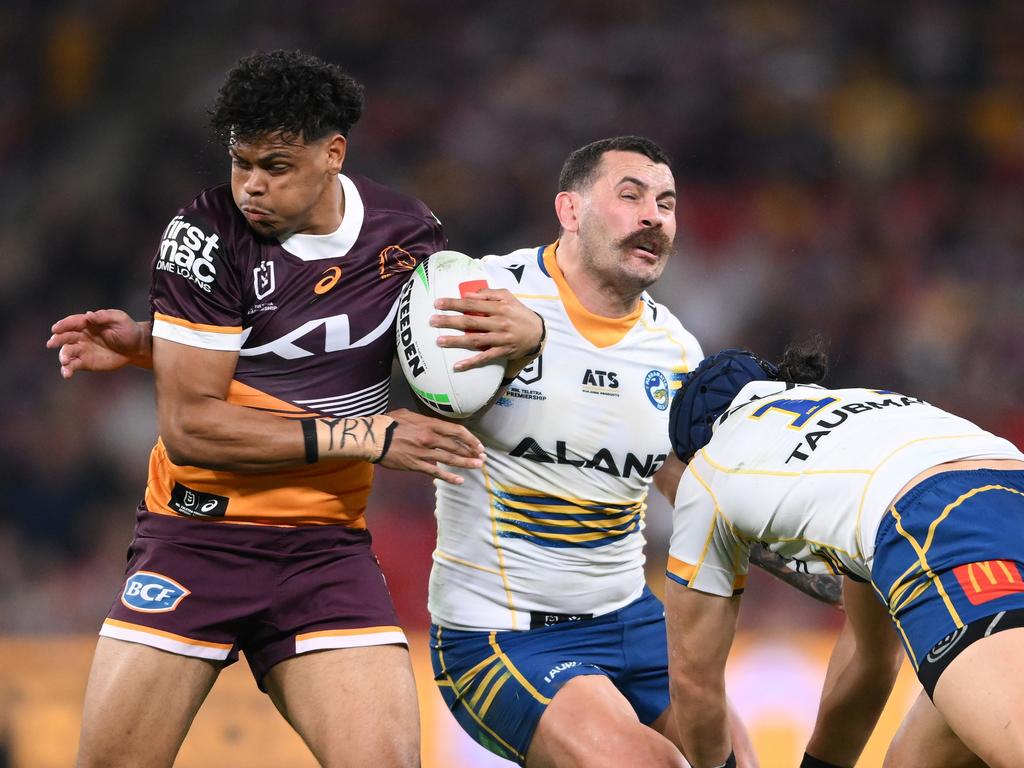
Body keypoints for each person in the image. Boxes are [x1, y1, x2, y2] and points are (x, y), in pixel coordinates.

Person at [45, 50, 543, 768]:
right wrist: (368, 434)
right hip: (197, 540)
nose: (251, 185)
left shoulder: (408, 236)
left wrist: (526, 342)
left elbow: (452, 369)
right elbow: (192, 429)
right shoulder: (204, 235)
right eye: (240, 162)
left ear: (332, 153)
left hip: (323, 548)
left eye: (275, 166)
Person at [425, 137, 839, 768]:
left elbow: (688, 484)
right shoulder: (486, 295)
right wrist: (532, 345)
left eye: (667, 203)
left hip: (632, 618)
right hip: (503, 635)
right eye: (631, 196)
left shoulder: (674, 348)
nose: (655, 216)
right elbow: (402, 401)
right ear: (569, 210)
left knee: (735, 763)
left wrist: (801, 561)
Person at [662, 341, 1024, 768]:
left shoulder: (706, 472)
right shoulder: (864, 410)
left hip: (936, 527)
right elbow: (869, 664)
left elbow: (693, 680)